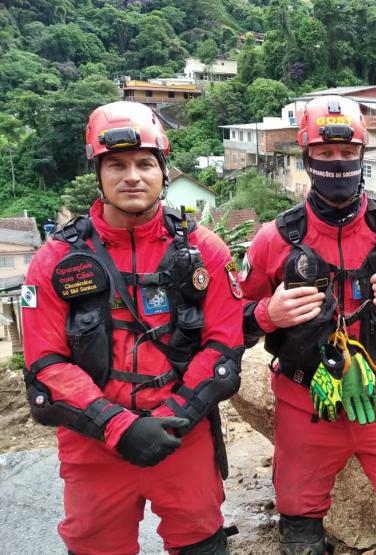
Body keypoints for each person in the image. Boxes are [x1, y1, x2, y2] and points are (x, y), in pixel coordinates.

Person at [21, 101, 244, 554]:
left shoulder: (205, 251)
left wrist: (169, 417)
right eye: (116, 165)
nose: (132, 176)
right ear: (98, 175)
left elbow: (223, 346)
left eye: (145, 163)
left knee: (202, 540)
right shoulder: (57, 260)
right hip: (93, 442)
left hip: (183, 431)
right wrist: (117, 426)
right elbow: (45, 363)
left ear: (163, 171)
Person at [239, 95, 376, 555]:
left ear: (362, 154)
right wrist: (264, 314)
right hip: (302, 401)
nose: (337, 163)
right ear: (307, 156)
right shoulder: (274, 238)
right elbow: (228, 325)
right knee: (299, 539)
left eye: (347, 153)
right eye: (325, 154)